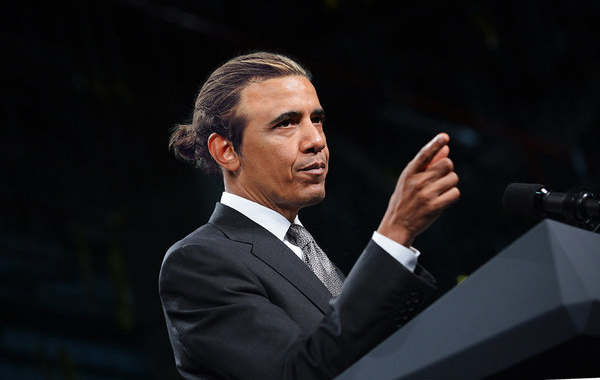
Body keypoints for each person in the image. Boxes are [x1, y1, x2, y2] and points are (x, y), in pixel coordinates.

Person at [159, 51, 460, 380]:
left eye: (316, 120)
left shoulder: (307, 248)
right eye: (286, 123)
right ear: (227, 151)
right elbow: (297, 372)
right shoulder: (199, 262)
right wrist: (396, 230)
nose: (316, 140)